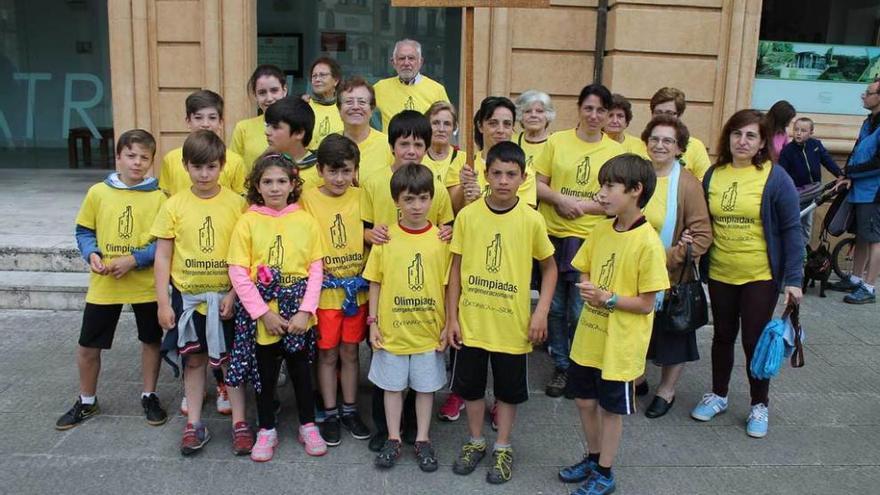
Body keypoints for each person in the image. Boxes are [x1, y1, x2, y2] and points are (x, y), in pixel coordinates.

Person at [558, 154, 669, 495]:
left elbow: (648, 303)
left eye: (609, 186)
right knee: (583, 401)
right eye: (601, 186)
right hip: (589, 339)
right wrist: (590, 284)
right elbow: (584, 265)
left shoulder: (648, 242)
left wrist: (607, 298)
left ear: (636, 190)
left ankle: (605, 472)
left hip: (619, 345)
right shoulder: (602, 228)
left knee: (610, 410)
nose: (601, 194)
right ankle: (592, 458)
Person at [447, 141, 557, 485]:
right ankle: (476, 441)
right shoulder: (468, 215)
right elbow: (455, 269)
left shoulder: (531, 219)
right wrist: (451, 317)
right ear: (485, 174)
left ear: (523, 178)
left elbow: (550, 269)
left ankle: (503, 446)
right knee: (472, 388)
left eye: (512, 174)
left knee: (508, 392)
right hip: (473, 321)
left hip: (512, 325)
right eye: (497, 173)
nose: (504, 180)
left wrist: (540, 313)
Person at [690, 109, 803, 439]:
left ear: (762, 142)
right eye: (737, 134)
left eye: (751, 135)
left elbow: (792, 230)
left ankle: (759, 404)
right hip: (722, 272)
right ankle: (718, 396)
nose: (742, 141)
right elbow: (702, 221)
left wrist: (793, 280)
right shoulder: (713, 174)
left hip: (760, 275)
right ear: (727, 138)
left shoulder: (775, 178)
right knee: (723, 335)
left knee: (755, 340)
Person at [56, 130, 169, 430]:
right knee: (88, 346)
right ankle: (87, 400)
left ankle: (150, 395)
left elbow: (164, 241)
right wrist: (91, 253)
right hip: (105, 284)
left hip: (145, 284)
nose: (137, 163)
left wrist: (135, 259)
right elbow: (84, 231)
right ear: (118, 157)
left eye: (144, 157)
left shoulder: (159, 198)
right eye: (131, 156)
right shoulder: (98, 192)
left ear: (151, 161)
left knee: (151, 340)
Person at [151, 130, 252, 456]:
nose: (204, 174)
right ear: (185, 166)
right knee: (193, 361)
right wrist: (164, 302)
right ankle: (193, 423)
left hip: (226, 298)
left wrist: (235, 295)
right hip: (188, 301)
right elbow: (163, 256)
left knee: (231, 363)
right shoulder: (174, 205)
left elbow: (247, 255)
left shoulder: (238, 204)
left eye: (211, 167)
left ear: (222, 165)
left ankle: (239, 422)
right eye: (197, 167)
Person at [360, 110, 454, 451]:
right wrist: (375, 234)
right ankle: (385, 431)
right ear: (392, 146)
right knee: (386, 364)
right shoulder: (373, 181)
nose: (411, 150)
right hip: (387, 272)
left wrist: (447, 231)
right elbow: (362, 227)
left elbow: (446, 229)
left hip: (425, 290)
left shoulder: (437, 188)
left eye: (418, 144)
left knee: (421, 373)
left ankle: (417, 431)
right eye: (405, 144)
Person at [226, 152, 327, 461]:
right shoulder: (248, 221)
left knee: (300, 370)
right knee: (265, 373)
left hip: (298, 309)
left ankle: (308, 424)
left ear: (293, 184)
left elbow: (316, 268)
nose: (274, 188)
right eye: (267, 182)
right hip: (263, 310)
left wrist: (305, 310)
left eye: (281, 181)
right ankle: (266, 428)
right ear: (257, 186)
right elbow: (238, 272)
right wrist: (263, 313)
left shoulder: (306, 220)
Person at [534, 84, 624, 397]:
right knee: (555, 306)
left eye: (601, 110)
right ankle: (561, 364)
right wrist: (559, 199)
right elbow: (536, 183)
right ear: (579, 108)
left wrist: (580, 206)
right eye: (589, 108)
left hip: (591, 239)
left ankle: (582, 365)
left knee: (580, 308)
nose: (594, 115)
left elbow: (616, 197)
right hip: (554, 235)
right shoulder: (557, 142)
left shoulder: (614, 152)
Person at [300, 135, 372, 446]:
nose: (340, 178)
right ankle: (329, 412)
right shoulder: (308, 198)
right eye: (333, 171)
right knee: (327, 353)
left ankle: (350, 409)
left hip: (355, 292)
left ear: (355, 170)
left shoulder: (362, 195)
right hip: (325, 293)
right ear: (319, 170)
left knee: (351, 352)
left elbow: (371, 230)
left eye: (346, 171)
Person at [639, 115, 712, 419]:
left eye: (668, 140)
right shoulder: (638, 175)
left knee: (673, 336)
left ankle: (666, 390)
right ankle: (637, 379)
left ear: (680, 148)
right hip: (635, 273)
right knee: (638, 331)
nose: (660, 145)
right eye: (655, 138)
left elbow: (703, 235)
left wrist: (675, 254)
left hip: (672, 277)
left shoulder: (688, 184)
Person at [830, 77, 880, 304]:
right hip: (860, 189)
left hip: (875, 192)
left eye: (868, 92)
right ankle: (855, 278)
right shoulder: (868, 121)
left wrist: (851, 171)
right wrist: (845, 173)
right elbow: (857, 149)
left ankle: (869, 288)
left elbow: (877, 163)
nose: (863, 95)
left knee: (874, 239)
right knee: (860, 236)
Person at [448, 97, 537, 211]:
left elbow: (521, 215)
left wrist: (479, 200)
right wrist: (463, 187)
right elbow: (452, 209)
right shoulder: (463, 163)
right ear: (480, 126)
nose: (501, 130)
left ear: (512, 128)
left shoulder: (523, 170)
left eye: (507, 124)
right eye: (493, 123)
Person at [157, 90, 246, 196]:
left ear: (221, 123)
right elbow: (165, 196)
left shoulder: (235, 161)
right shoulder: (171, 159)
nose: (205, 124)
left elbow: (241, 200)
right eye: (198, 118)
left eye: (212, 118)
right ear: (188, 122)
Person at [778, 117, 844, 245]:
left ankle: (803, 253)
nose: (798, 133)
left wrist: (839, 174)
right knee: (794, 223)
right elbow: (782, 174)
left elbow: (827, 161)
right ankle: (794, 250)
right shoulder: (788, 151)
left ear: (811, 132)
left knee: (806, 224)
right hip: (796, 193)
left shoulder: (815, 145)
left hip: (813, 191)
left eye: (803, 130)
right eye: (796, 129)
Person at [374, 39, 450, 132]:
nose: (406, 63)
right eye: (402, 58)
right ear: (393, 62)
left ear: (420, 62)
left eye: (411, 58)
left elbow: (449, 124)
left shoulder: (437, 90)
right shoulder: (380, 88)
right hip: (389, 146)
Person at [231, 65, 288, 172]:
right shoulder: (243, 128)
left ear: (284, 91)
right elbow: (233, 168)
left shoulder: (298, 126)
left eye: (274, 90)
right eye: (262, 93)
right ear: (255, 95)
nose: (269, 98)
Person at [339, 77, 394, 182]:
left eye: (362, 102)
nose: (355, 107)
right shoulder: (329, 144)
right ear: (339, 109)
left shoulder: (389, 145)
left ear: (372, 109)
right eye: (349, 102)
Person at [649, 87, 711, 180]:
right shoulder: (640, 144)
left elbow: (705, 181)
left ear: (680, 115)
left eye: (669, 113)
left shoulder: (695, 146)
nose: (663, 117)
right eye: (658, 112)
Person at [264, 96, 320, 189]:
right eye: (267, 125)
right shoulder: (265, 164)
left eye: (275, 127)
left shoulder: (321, 172)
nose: (267, 132)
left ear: (299, 133)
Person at [423, 101, 466, 187]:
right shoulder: (417, 157)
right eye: (436, 123)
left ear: (454, 127)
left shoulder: (464, 159)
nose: (441, 129)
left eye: (447, 124)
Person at [307, 57, 344, 147]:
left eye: (322, 75)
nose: (317, 79)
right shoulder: (303, 106)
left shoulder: (345, 108)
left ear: (335, 80)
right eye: (314, 76)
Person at [514, 90, 556, 170]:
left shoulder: (556, 142)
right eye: (528, 111)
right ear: (520, 115)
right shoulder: (511, 141)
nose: (533, 115)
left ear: (548, 115)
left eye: (539, 111)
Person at [604, 93, 649, 159]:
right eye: (610, 115)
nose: (615, 121)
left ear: (626, 121)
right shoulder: (595, 143)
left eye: (620, 116)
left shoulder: (638, 145)